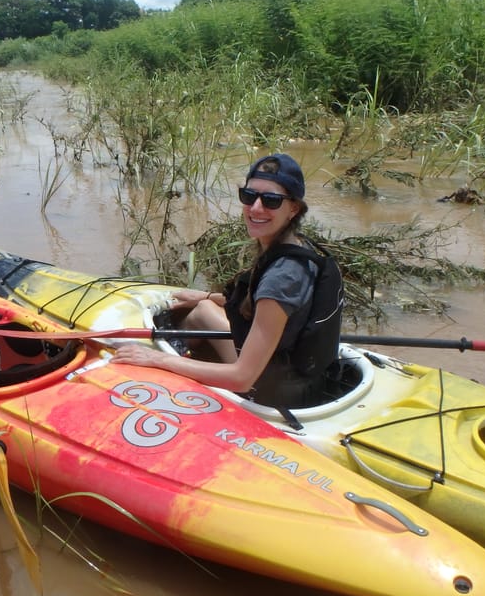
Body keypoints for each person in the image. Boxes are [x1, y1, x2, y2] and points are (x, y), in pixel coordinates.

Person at [111, 153, 342, 409]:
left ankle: (174, 352)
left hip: (268, 387)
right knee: (203, 310)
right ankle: (181, 347)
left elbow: (242, 378)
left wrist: (156, 359)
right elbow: (264, 306)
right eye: (249, 196)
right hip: (295, 371)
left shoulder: (283, 277)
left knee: (184, 338)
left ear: (294, 209)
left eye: (271, 200)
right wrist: (205, 296)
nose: (256, 208)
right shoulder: (299, 246)